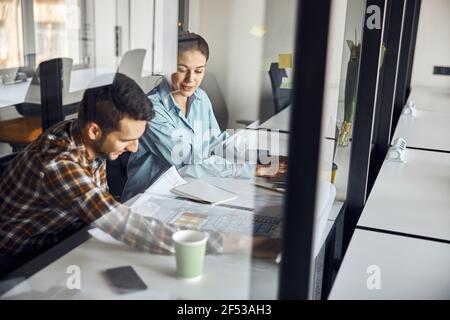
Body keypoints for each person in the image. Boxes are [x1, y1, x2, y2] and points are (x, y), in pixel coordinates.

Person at [0, 73, 278, 279]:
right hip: (24, 257)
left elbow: (109, 211)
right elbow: (124, 225)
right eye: (127, 140)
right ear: (95, 130)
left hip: (69, 235)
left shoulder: (82, 133)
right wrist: (244, 243)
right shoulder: (59, 163)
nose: (134, 148)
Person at [120, 33, 255, 201]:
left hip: (189, 190)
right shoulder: (149, 109)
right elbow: (187, 161)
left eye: (199, 71)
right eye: (182, 70)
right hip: (148, 199)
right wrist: (246, 170)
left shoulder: (201, 99)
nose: (191, 79)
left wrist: (255, 158)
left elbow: (216, 142)